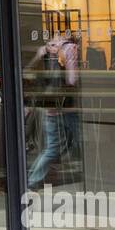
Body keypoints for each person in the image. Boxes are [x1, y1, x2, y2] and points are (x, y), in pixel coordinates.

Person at [26, 29, 79, 187]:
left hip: (50, 105)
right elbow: (71, 80)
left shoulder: (44, 50)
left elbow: (29, 71)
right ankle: (91, 175)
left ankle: (31, 181)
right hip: (68, 106)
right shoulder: (70, 49)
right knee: (79, 140)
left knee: (51, 149)